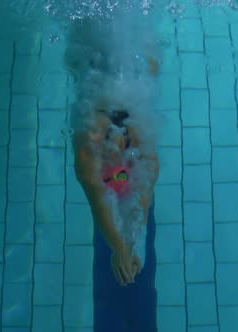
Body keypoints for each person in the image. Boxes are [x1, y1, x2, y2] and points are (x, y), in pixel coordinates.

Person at [66, 13, 161, 286]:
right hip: (135, 65)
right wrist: (130, 244)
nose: (111, 150)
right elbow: (142, 199)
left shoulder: (88, 153)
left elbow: (98, 202)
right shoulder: (143, 152)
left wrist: (120, 248)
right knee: (148, 59)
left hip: (92, 59)